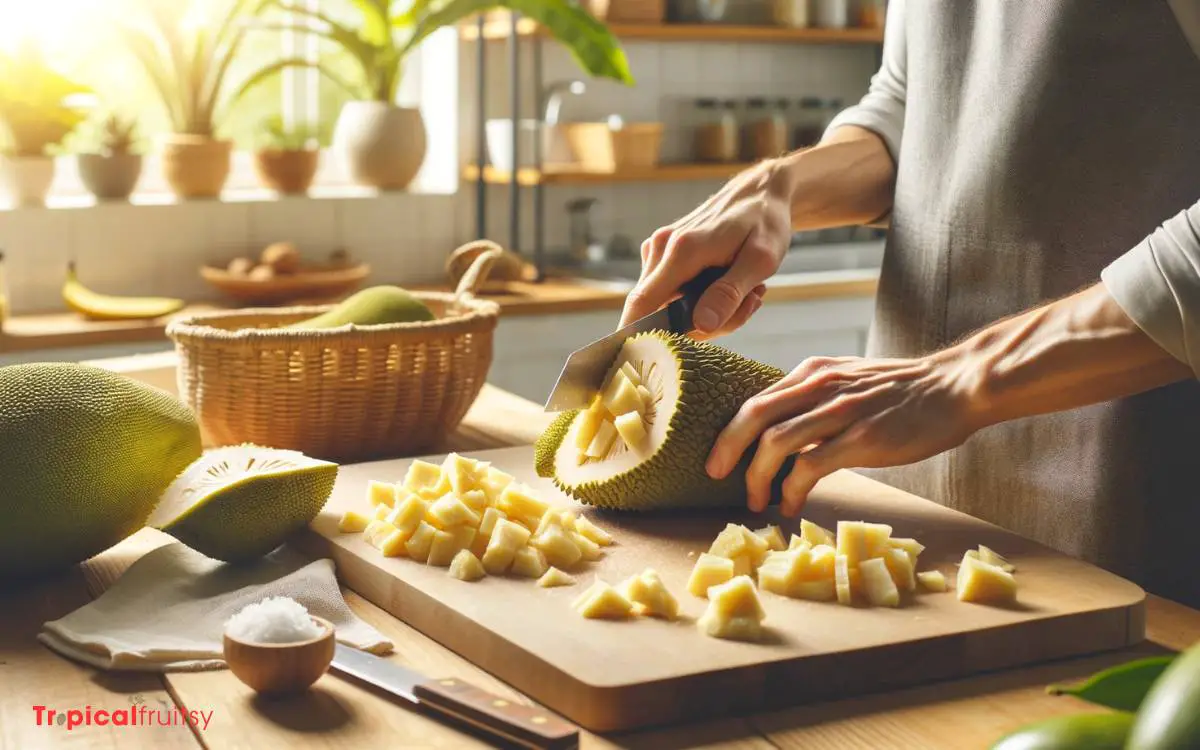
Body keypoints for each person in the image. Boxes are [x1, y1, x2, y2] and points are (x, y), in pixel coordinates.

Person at [620, 0, 1200, 608]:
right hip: (911, 488)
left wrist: (963, 376)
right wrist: (783, 187)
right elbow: (914, 102)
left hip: (1142, 493)